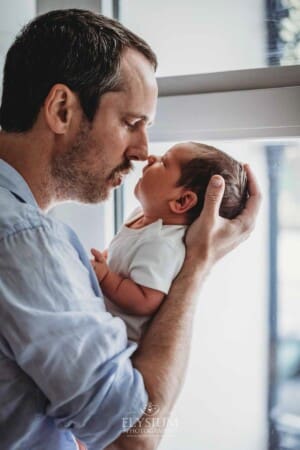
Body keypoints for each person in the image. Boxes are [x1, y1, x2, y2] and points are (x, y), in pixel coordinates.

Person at [0, 8, 261, 450]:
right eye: (131, 123)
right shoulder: (25, 240)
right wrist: (196, 265)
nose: (143, 152)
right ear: (62, 109)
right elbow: (132, 437)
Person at [91, 141, 248, 342]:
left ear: (181, 201)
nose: (151, 158)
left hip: (118, 338)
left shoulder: (162, 244)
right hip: (103, 319)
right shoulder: (142, 216)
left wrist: (106, 278)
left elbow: (145, 299)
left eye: (164, 162)